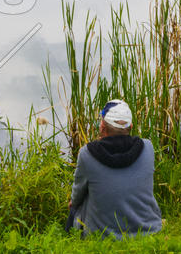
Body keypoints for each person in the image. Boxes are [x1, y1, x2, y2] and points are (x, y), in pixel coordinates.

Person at [68, 99, 162, 239]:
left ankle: (71, 238)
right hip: (148, 229)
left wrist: (73, 203)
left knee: (77, 203)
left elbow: (77, 195)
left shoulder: (86, 154)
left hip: (102, 235)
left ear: (102, 127)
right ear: (130, 126)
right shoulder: (147, 148)